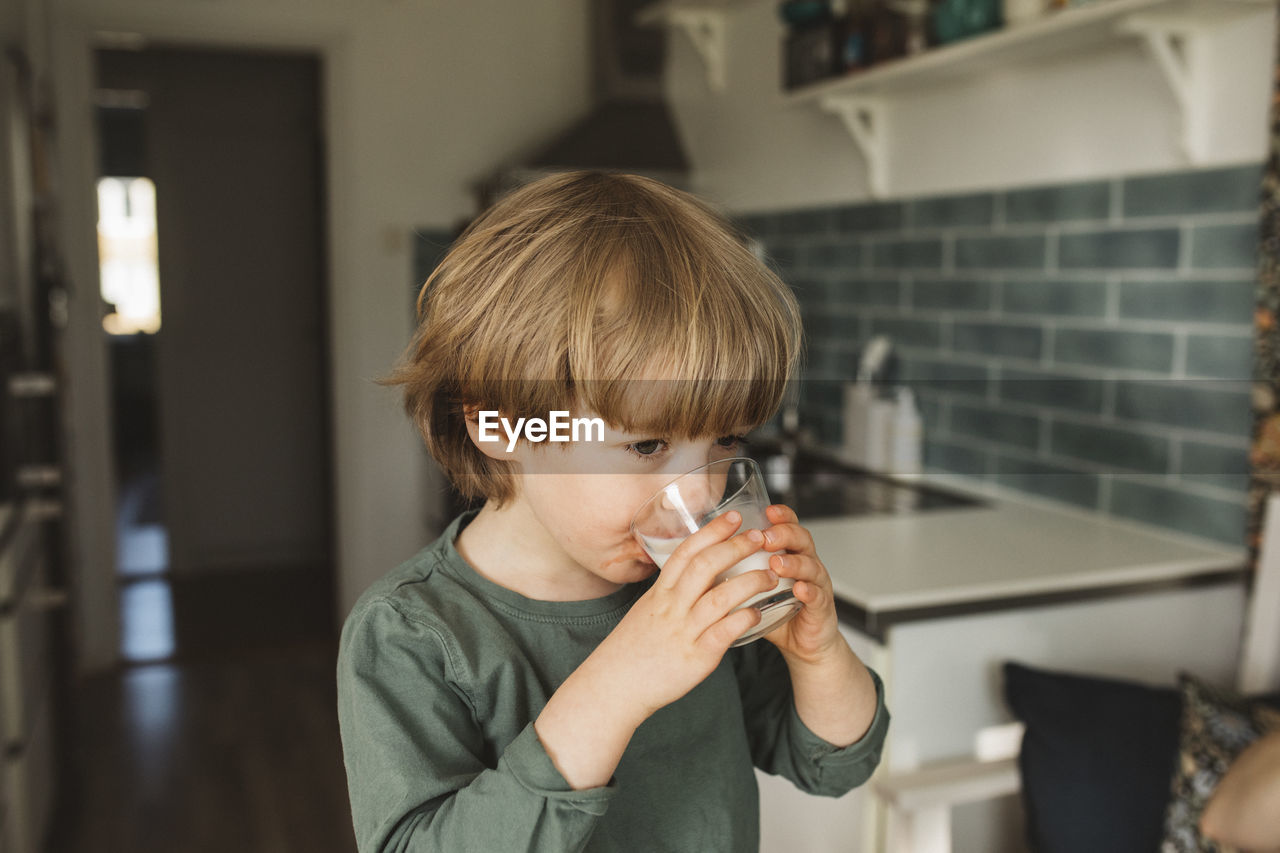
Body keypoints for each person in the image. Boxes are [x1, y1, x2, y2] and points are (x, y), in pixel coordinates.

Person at [336, 171, 890, 852]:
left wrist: (819, 653)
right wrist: (618, 684)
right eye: (647, 443)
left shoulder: (689, 591)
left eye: (725, 442)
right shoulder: (411, 635)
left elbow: (836, 762)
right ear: (503, 425)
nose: (701, 495)